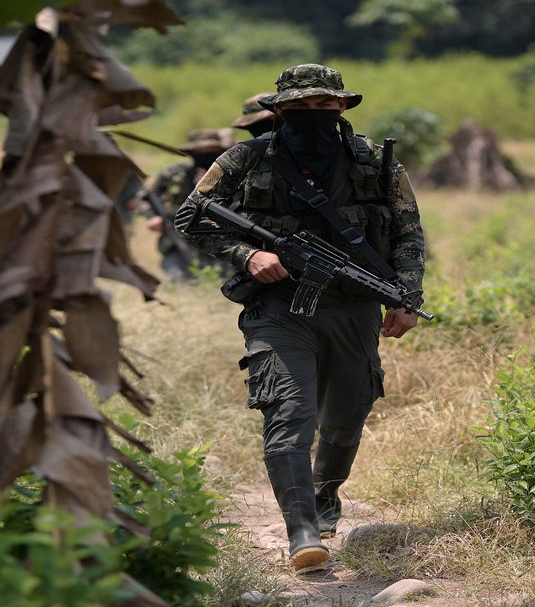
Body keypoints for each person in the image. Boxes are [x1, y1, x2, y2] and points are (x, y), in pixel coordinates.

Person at [174, 64, 426, 573]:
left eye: (323, 107)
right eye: (300, 108)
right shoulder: (245, 157)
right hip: (278, 311)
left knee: (345, 419)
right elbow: (191, 216)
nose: (312, 116)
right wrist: (247, 255)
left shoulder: (376, 162)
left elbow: (408, 233)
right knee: (289, 415)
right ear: (280, 111)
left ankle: (324, 495)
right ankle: (303, 531)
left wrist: (406, 297)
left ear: (341, 108)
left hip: (355, 310)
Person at [142, 128, 236, 281]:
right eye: (199, 152)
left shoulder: (233, 174)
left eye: (211, 151)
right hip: (177, 240)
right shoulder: (174, 173)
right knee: (178, 279)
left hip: (222, 242)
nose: (205, 156)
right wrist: (152, 217)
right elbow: (145, 195)